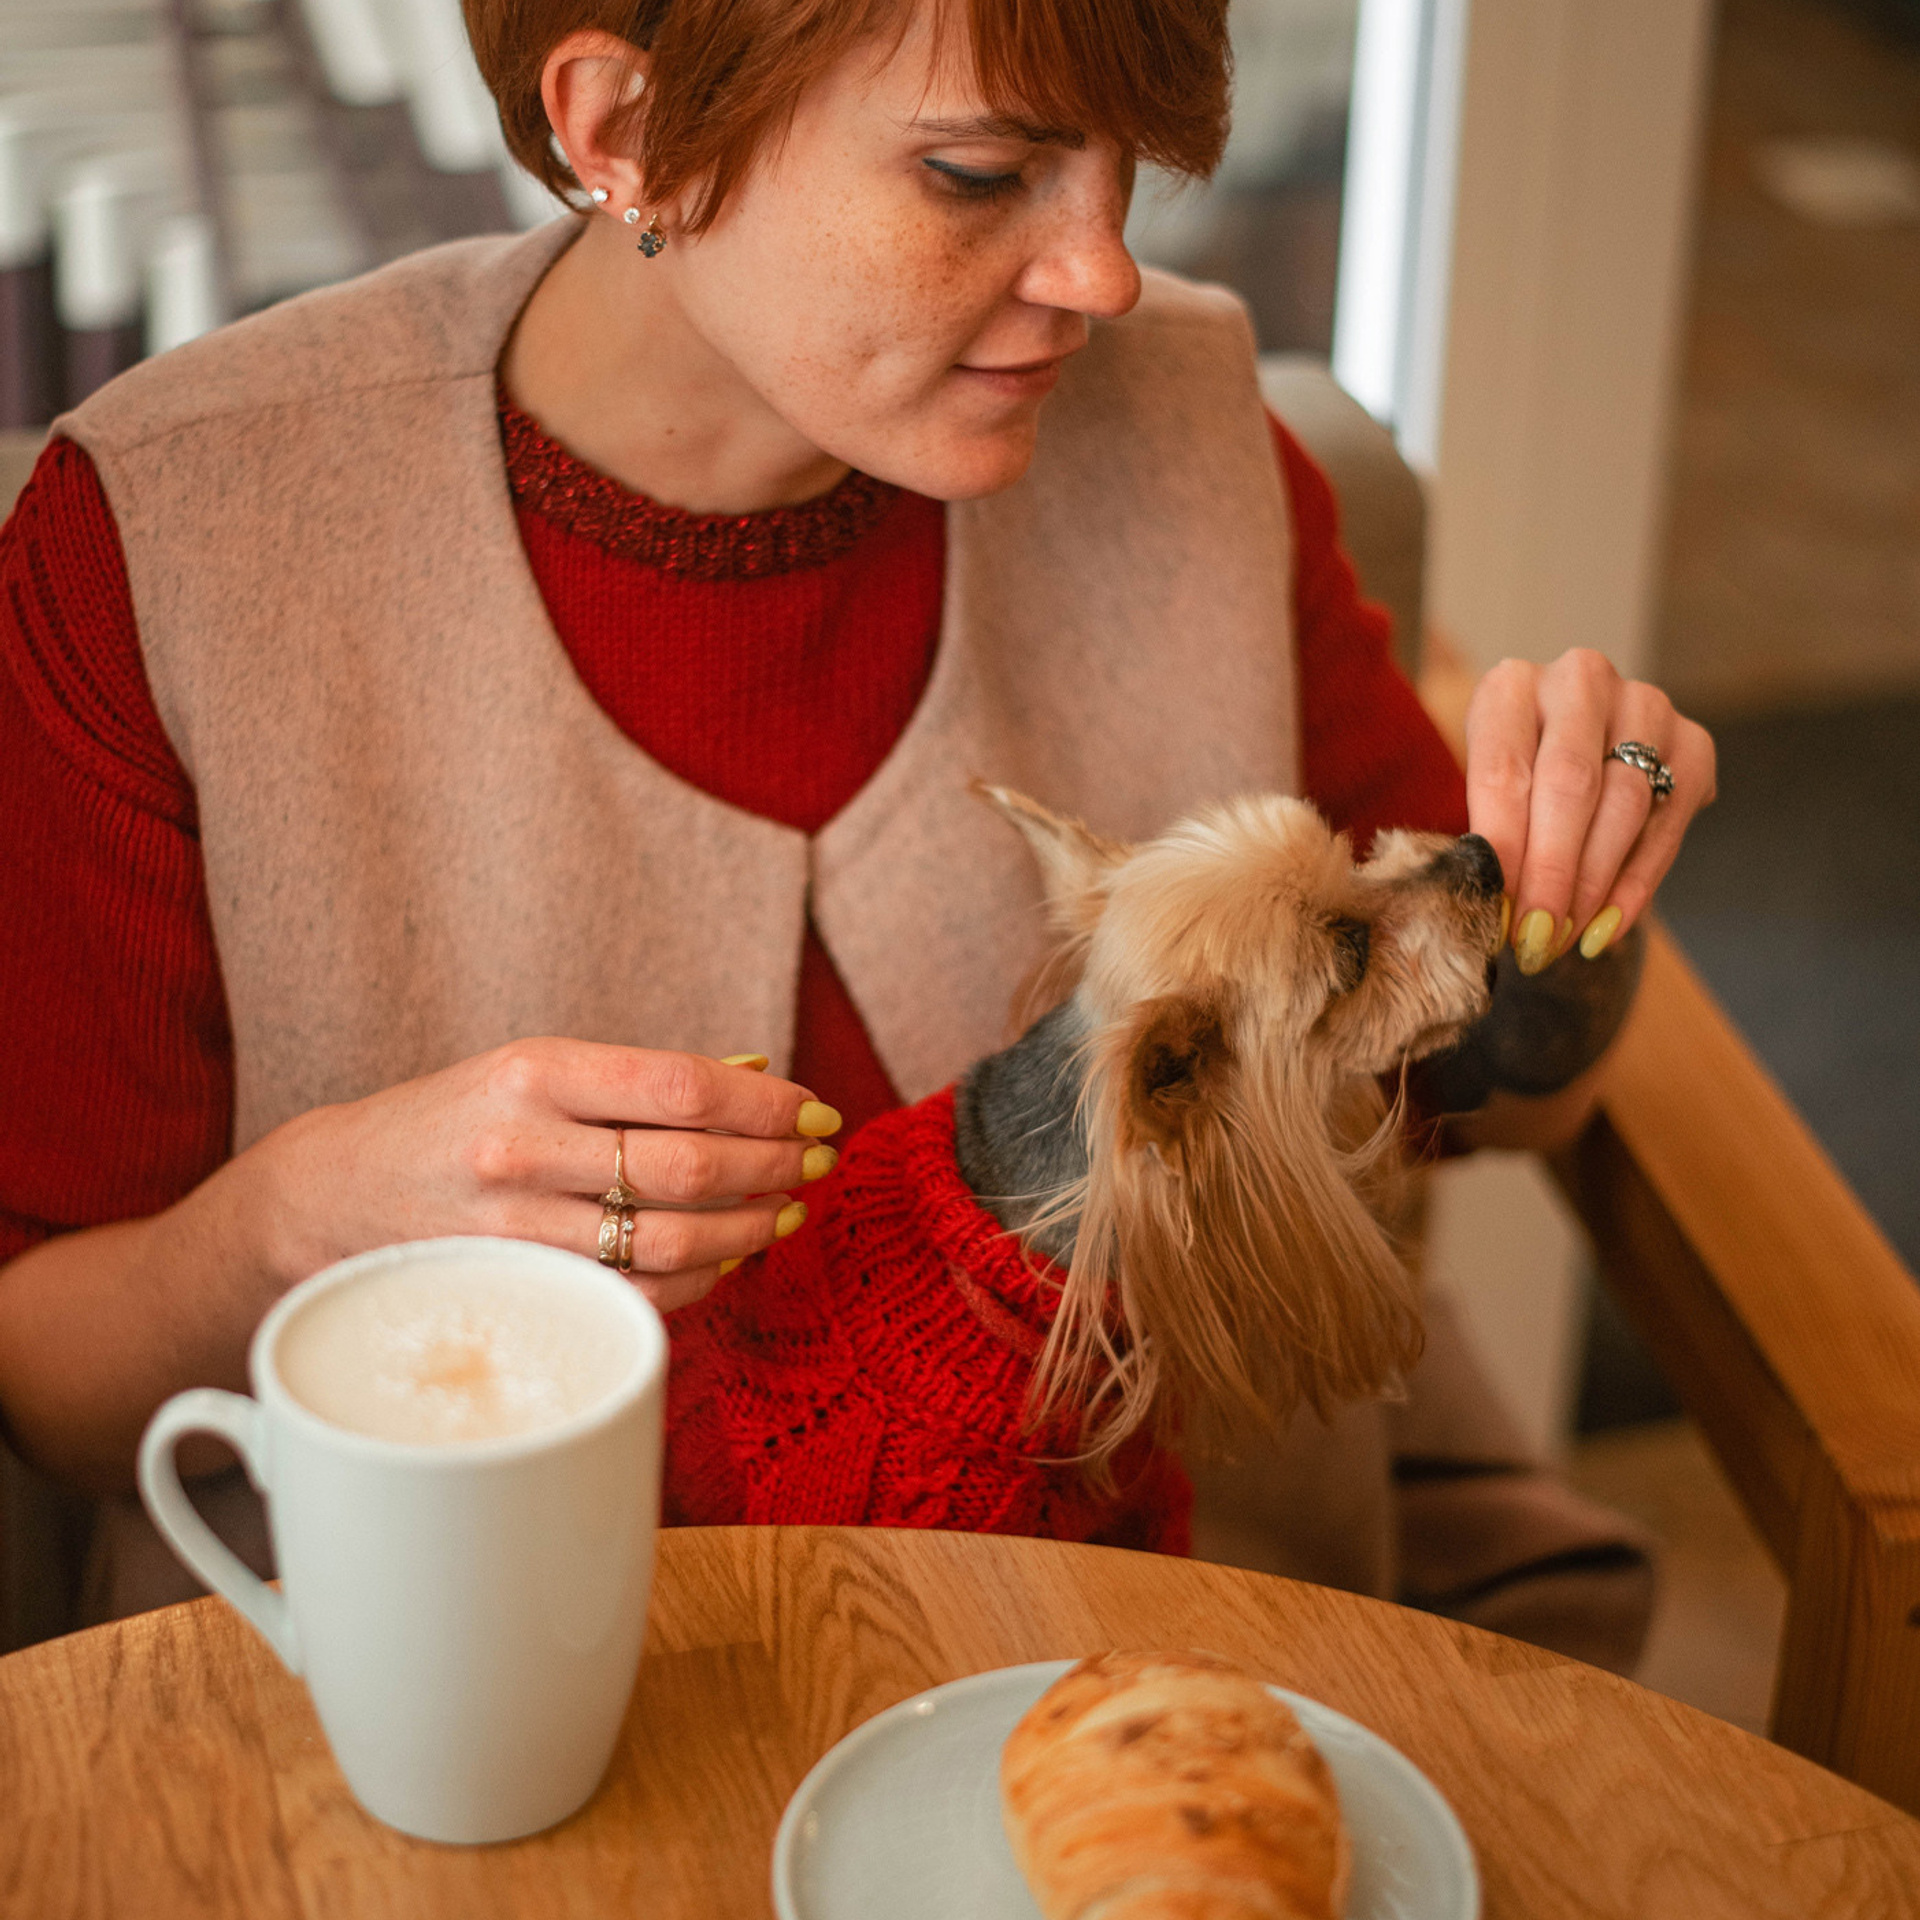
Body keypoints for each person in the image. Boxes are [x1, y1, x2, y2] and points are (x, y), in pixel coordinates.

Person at [0, 0, 1713, 1636]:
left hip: (1175, 1668)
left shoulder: (1200, 443)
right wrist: (297, 1217)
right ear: (629, 129)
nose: (1105, 271)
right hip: (460, 1710)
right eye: (977, 173)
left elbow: (1485, 1100)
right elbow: (52, 1389)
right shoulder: (168, 539)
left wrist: (1576, 889)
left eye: (1132, 163)